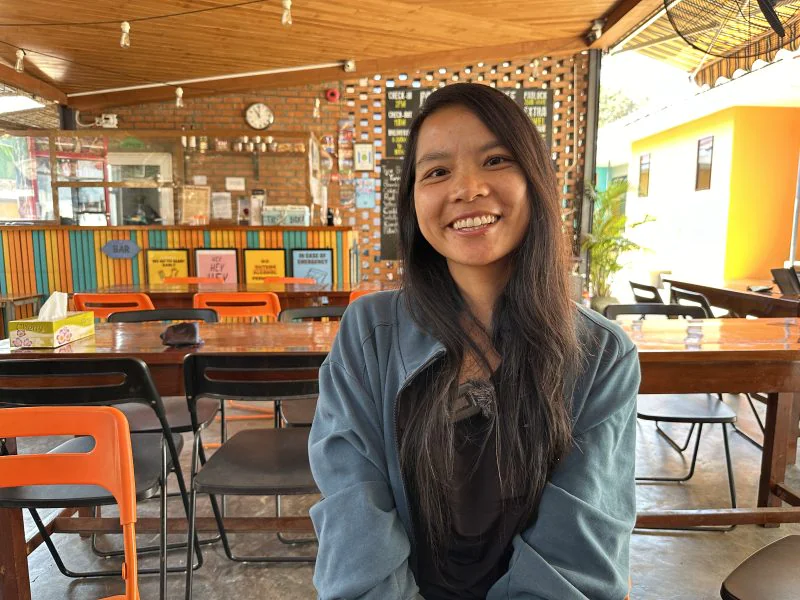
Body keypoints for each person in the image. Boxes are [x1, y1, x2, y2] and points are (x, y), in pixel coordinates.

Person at [309, 83, 639, 600]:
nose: (466, 188)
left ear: (534, 180)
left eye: (495, 160)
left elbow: (578, 554)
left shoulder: (601, 355)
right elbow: (354, 513)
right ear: (413, 202)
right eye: (437, 171)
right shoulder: (368, 334)